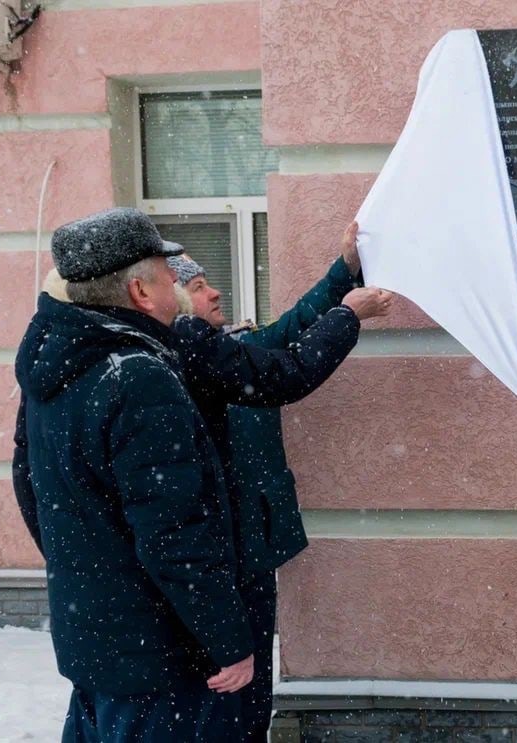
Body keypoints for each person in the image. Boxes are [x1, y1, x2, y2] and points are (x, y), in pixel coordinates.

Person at [13, 208, 255, 742]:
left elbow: (32, 493)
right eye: (171, 278)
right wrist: (230, 640)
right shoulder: (139, 376)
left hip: (97, 644)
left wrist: (92, 571)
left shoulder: (57, 364)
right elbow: (175, 534)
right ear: (142, 293)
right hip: (160, 659)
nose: (181, 290)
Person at [166, 221, 378, 741]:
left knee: (251, 690)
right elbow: (294, 368)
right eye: (197, 287)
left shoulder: (225, 350)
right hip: (217, 560)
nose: (214, 292)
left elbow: (294, 330)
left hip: (251, 549)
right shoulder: (172, 371)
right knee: (225, 692)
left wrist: (346, 269)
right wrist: (350, 313)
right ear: (164, 301)